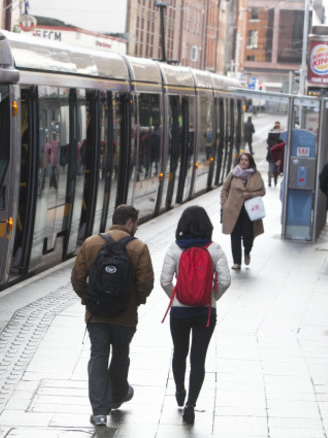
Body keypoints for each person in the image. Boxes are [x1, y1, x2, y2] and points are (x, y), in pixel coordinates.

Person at [70, 204, 154, 427]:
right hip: (125, 316)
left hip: (96, 316)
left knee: (98, 356)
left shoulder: (91, 243)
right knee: (120, 354)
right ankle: (117, 396)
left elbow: (77, 277)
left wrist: (88, 299)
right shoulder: (139, 247)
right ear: (129, 222)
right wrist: (136, 301)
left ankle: (99, 411)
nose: (136, 227)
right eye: (136, 223)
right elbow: (146, 282)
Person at [160, 206, 231, 424]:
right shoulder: (215, 249)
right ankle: (191, 403)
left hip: (179, 311)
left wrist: (178, 296)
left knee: (179, 352)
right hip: (205, 312)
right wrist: (211, 297)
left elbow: (164, 280)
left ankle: (180, 390)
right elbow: (225, 280)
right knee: (198, 358)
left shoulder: (175, 248)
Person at [221, 153, 266, 270]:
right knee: (234, 235)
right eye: (241, 160)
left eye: (246, 160)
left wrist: (251, 194)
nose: (243, 162)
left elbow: (262, 192)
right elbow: (224, 189)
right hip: (233, 210)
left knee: (248, 235)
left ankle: (247, 251)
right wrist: (225, 204)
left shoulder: (256, 175)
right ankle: (237, 262)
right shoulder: (233, 173)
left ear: (250, 162)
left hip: (249, 211)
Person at [266, 121, 283, 187]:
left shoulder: (271, 132)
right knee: (276, 168)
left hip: (270, 153)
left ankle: (269, 181)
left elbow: (268, 141)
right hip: (277, 153)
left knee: (271, 166)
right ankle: (275, 182)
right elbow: (281, 142)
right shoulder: (280, 133)